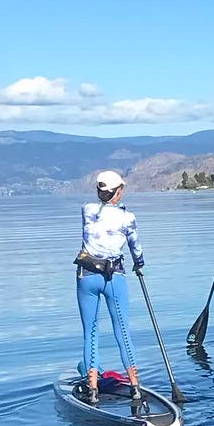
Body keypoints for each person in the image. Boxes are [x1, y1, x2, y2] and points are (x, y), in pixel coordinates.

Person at [74, 169, 147, 412]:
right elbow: (135, 247)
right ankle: (135, 386)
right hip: (113, 276)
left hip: (87, 276)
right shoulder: (128, 218)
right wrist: (139, 264)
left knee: (90, 332)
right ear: (117, 193)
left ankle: (93, 390)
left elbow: (101, 214)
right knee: (122, 331)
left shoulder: (86, 210)